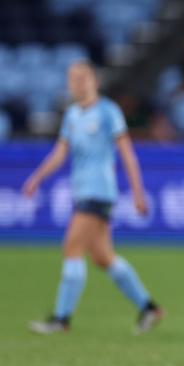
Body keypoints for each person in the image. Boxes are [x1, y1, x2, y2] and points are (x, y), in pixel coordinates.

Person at [23, 62, 163, 334]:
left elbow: (127, 154)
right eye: (72, 79)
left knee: (71, 248)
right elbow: (60, 153)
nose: (77, 83)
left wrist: (137, 192)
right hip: (82, 191)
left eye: (82, 78)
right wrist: (37, 177)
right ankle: (149, 308)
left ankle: (61, 320)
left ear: (94, 81)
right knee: (103, 257)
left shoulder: (108, 111)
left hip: (98, 192)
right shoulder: (72, 115)